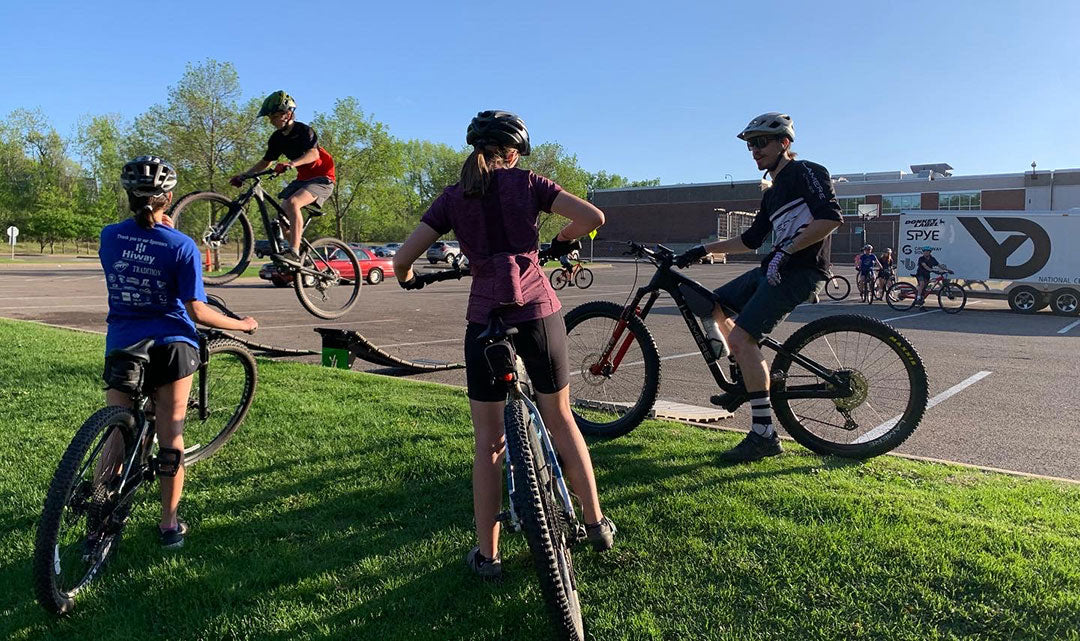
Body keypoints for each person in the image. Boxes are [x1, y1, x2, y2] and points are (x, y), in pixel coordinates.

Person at [391, 110, 615, 579]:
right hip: (538, 312)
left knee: (488, 443)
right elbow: (593, 217)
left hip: (485, 321)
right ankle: (595, 525)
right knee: (560, 417)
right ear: (513, 153)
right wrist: (559, 239)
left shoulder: (453, 197)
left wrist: (410, 279)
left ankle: (488, 557)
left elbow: (403, 261)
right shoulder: (529, 183)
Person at [100, 156, 258, 548]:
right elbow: (197, 310)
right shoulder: (182, 245)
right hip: (172, 345)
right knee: (171, 435)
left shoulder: (108, 236)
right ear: (168, 198)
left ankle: (99, 509)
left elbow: (136, 247)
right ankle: (169, 526)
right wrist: (243, 325)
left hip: (123, 342)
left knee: (116, 433)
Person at [674, 112, 843, 463]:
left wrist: (787, 249)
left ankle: (764, 435)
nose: (754, 150)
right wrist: (702, 250)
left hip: (799, 270)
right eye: (751, 144)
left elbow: (830, 218)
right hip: (773, 268)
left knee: (741, 338)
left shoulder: (807, 172)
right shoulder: (771, 194)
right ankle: (745, 380)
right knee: (710, 303)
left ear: (784, 143)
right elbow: (751, 240)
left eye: (761, 142)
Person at [229, 91, 335, 264]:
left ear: (288, 114)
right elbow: (266, 162)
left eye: (275, 116)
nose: (271, 121)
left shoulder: (304, 131)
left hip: (322, 179)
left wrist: (291, 164)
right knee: (282, 216)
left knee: (294, 203)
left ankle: (293, 251)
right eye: (270, 117)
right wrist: (244, 176)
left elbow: (313, 155)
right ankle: (300, 255)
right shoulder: (277, 138)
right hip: (303, 180)